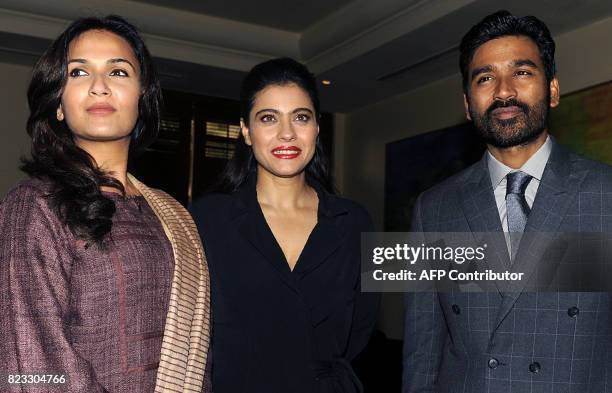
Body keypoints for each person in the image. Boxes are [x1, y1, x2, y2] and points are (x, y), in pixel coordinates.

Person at [402, 10, 612, 393]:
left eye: (522, 72)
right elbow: (423, 349)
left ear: (552, 90)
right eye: (485, 78)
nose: (503, 91)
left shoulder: (606, 193)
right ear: (467, 104)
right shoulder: (434, 208)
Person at [0, 16, 210, 392]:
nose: (99, 87)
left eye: (118, 72)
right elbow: (28, 363)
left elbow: (199, 358)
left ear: (141, 98)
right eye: (79, 72)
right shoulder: (34, 205)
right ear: (59, 103)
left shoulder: (172, 215)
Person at [190, 57, 379, 393]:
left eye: (300, 117)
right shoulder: (206, 219)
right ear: (246, 131)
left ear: (317, 128)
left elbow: (360, 332)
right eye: (268, 118)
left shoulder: (355, 223)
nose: (287, 133)